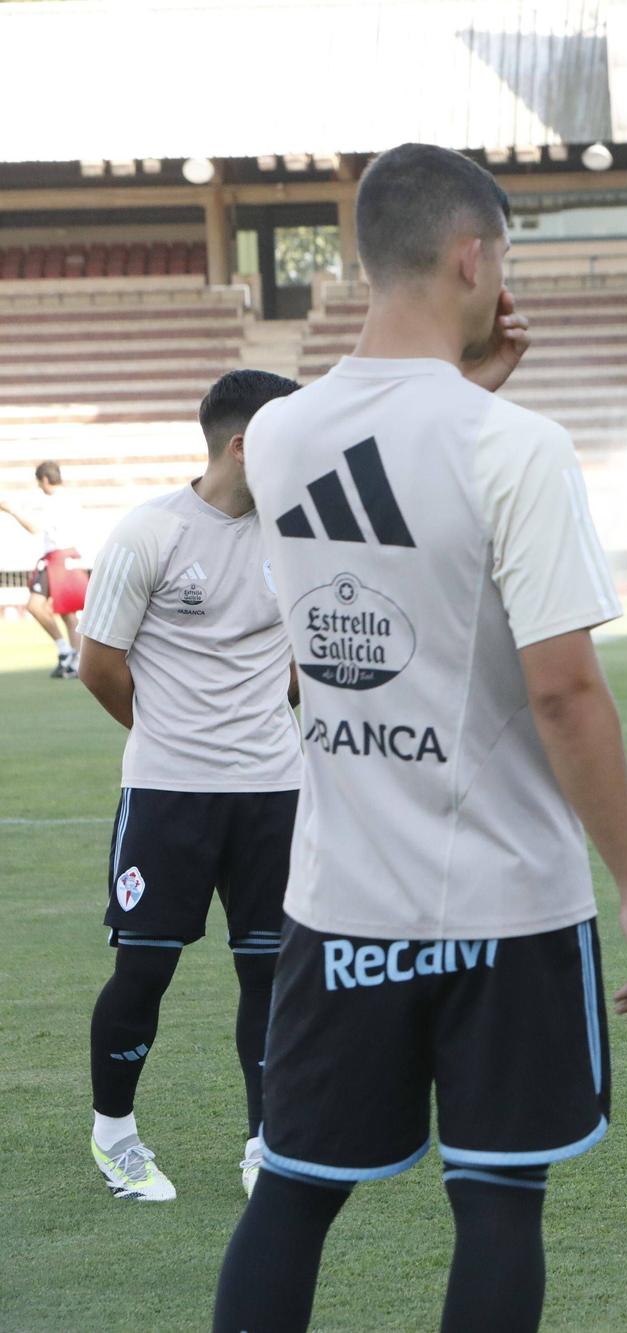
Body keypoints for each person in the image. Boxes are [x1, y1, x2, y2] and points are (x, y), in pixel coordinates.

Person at [211, 143, 627, 1333]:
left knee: (295, 1193)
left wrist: (473, 391)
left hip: (341, 897)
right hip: (502, 901)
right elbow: (565, 689)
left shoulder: (274, 438)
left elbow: (384, 533)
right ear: (474, 256)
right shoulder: (513, 447)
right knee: (496, 1206)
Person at [72, 370, 303, 1203]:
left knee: (271, 974)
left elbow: (303, 661)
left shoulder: (297, 533)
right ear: (245, 446)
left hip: (276, 792)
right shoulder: (151, 532)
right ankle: (116, 1136)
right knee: (144, 969)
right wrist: (177, 737)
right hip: (170, 792)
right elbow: (100, 665)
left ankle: (265, 1139)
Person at [1, 460, 89, 677]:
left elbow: (34, 528)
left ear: (45, 480)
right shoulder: (72, 499)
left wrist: (11, 510)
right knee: (69, 613)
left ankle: (65, 650)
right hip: (72, 556)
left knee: (34, 605)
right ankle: (74, 660)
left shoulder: (52, 502)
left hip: (57, 558)